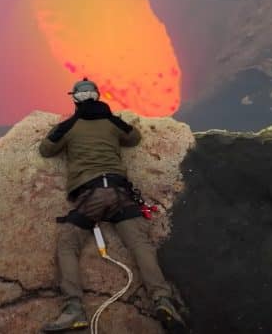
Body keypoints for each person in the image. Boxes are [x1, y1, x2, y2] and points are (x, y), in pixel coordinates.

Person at [38, 78, 187, 332]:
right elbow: (134, 138)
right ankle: (162, 299)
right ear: (97, 96)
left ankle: (73, 309)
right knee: (140, 244)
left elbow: (46, 149)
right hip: (120, 193)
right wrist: (112, 117)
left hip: (91, 196)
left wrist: (62, 127)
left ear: (75, 99)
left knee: (67, 244)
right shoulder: (110, 121)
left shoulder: (70, 126)